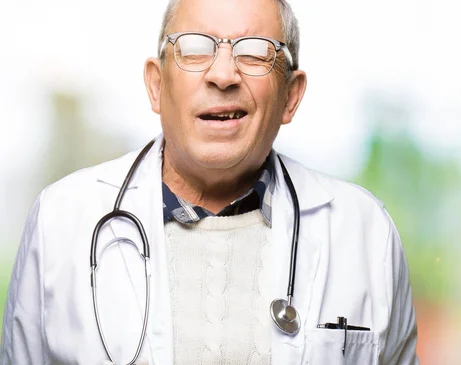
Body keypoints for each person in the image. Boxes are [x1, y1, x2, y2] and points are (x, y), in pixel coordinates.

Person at [0, 0, 419, 363]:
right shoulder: (61, 220)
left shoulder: (364, 231)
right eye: (195, 48)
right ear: (156, 85)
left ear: (291, 96)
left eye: (255, 53)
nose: (223, 74)